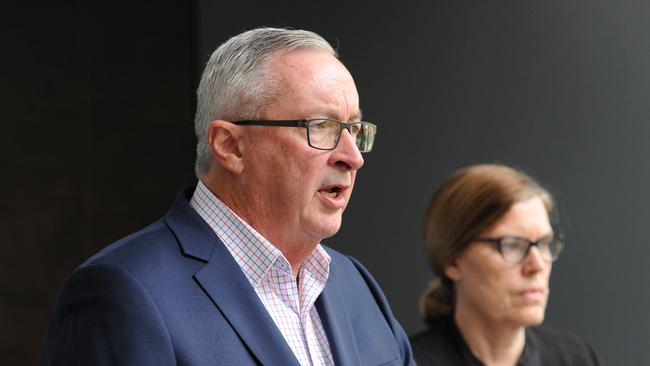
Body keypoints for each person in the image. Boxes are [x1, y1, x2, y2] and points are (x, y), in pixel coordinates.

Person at [41, 27, 413, 366]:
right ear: (231, 146)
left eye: (354, 129)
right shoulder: (124, 292)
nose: (353, 157)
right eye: (322, 127)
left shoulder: (355, 283)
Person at [410, 164, 602, 366]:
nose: (537, 265)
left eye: (544, 243)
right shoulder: (408, 362)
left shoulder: (577, 359)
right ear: (453, 261)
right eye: (512, 245)